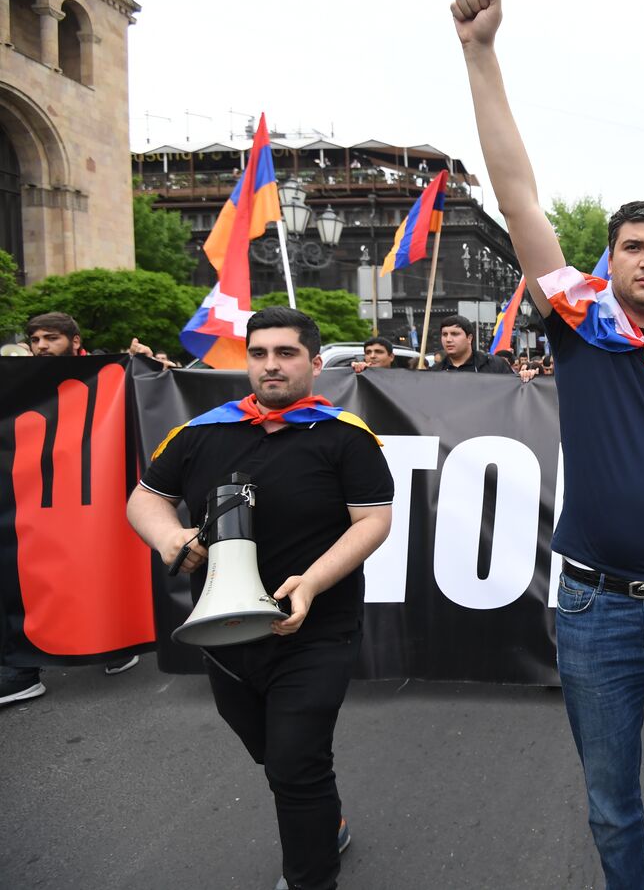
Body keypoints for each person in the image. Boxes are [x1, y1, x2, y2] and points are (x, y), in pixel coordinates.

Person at [454, 0, 644, 888]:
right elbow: (518, 195)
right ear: (610, 258)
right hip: (592, 609)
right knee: (606, 796)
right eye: (632, 246)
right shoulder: (577, 319)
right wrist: (481, 54)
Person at [126, 307, 393, 890]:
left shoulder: (347, 436)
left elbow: (373, 521)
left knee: (296, 760)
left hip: (317, 627)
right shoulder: (201, 432)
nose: (271, 365)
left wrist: (313, 582)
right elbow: (143, 500)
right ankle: (327, 821)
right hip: (224, 633)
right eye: (259, 354)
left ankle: (310, 877)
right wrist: (170, 537)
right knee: (275, 754)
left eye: (286, 353)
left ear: (315, 363)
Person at [0, 313, 136, 705]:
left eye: (51, 338)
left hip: (94, 492)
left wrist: (144, 364)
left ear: (76, 342)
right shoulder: (20, 381)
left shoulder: (109, 373)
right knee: (25, 573)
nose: (42, 345)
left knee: (93, 567)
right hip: (32, 493)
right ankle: (23, 668)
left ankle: (114, 642)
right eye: (35, 339)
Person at [436, 315, 513, 372]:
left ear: (469, 338)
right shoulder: (435, 372)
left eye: (455, 334)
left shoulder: (495, 365)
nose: (448, 339)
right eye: (444, 334)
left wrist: (523, 377)